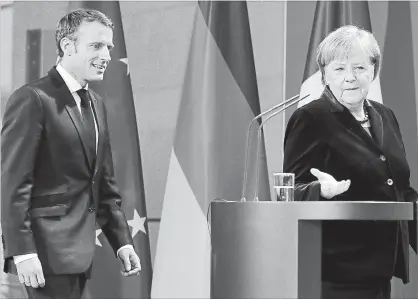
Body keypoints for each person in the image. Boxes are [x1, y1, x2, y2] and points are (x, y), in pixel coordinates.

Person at [1, 9, 141, 299]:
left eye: (109, 48)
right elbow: (12, 182)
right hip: (43, 255)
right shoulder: (32, 99)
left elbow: (103, 183)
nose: (106, 55)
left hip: (80, 253)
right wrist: (22, 251)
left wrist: (122, 242)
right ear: (67, 46)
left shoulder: (97, 104)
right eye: (96, 46)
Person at [283, 25, 418, 299]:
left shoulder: (384, 115)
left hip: (380, 268)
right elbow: (291, 189)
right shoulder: (310, 118)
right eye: (339, 69)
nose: (350, 78)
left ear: (373, 70)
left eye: (358, 68)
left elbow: (399, 188)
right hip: (335, 272)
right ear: (324, 75)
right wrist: (320, 191)